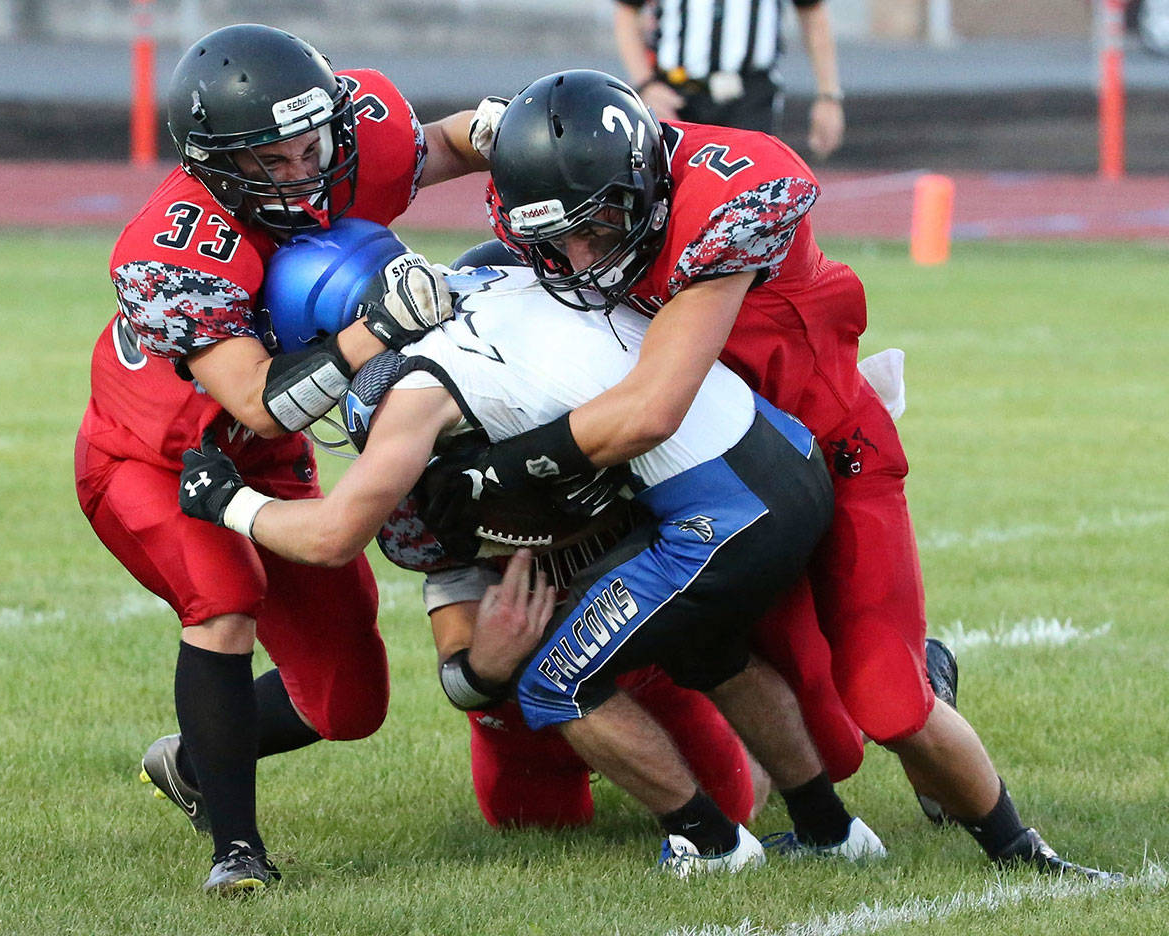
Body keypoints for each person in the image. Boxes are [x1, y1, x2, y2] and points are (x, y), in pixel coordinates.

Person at [425, 68, 1118, 881]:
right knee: (830, 743)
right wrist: (476, 137)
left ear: (643, 180)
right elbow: (422, 150)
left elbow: (653, 406)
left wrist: (491, 474)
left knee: (888, 704)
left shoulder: (733, 193)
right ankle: (848, 794)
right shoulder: (572, 180)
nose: (580, 257)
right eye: (559, 237)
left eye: (601, 223)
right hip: (731, 481)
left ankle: (1024, 851)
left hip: (832, 454)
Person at [178, 226, 885, 875]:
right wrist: (488, 661)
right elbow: (460, 672)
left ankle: (716, 845)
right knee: (534, 803)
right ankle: (826, 827)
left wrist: (228, 502)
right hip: (735, 496)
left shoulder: (427, 388)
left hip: (677, 562)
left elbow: (332, 536)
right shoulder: (509, 287)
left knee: (672, 724)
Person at [72, 23, 490, 895]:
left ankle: (192, 761)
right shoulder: (171, 249)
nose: (305, 169)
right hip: (155, 455)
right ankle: (237, 854)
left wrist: (507, 132)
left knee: (349, 702)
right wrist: (379, 325)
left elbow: (450, 143)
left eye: (314, 143)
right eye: (275, 159)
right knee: (223, 596)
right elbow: (258, 397)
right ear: (218, 166)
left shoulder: (352, 132)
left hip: (266, 455)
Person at [613, 0, 844, 160]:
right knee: (672, 203)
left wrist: (828, 96)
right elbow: (626, 14)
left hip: (750, 96)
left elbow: (813, 15)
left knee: (751, 201)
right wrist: (646, 85)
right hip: (676, 94)